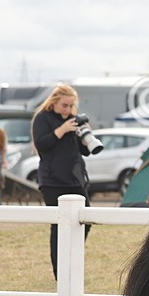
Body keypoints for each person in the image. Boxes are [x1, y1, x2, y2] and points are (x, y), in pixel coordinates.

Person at [32, 84, 92, 278]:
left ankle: (72, 259)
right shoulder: (43, 118)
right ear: (54, 102)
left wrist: (84, 138)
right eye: (64, 105)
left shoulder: (73, 120)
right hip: (52, 181)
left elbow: (83, 151)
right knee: (58, 225)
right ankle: (60, 272)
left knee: (87, 220)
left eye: (71, 105)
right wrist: (62, 130)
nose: (68, 109)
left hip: (75, 179)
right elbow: (41, 144)